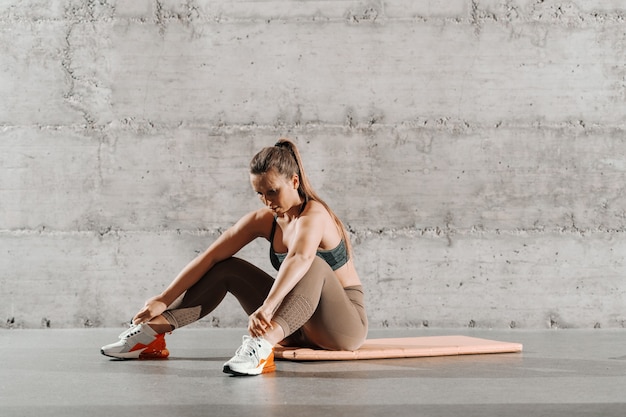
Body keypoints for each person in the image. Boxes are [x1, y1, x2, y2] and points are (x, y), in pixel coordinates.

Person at [101, 139, 368, 376]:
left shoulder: (315, 216)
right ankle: (151, 335)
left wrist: (267, 307)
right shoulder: (266, 220)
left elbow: (299, 257)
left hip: (342, 328)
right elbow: (210, 256)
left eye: (273, 191)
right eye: (260, 194)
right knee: (227, 267)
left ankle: (262, 344)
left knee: (313, 263)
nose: (267, 201)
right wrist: (163, 298)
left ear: (294, 182)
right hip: (296, 323)